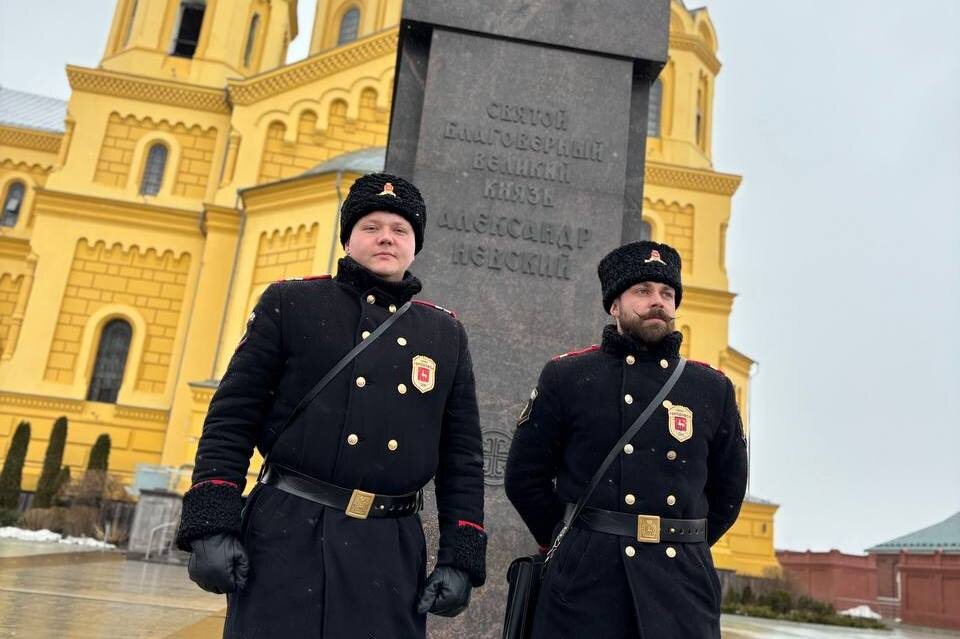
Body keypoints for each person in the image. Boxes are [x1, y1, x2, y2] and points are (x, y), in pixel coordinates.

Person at [175, 173, 487, 638]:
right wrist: (210, 525)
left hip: (390, 545)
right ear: (347, 239)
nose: (386, 237)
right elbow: (232, 418)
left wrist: (460, 558)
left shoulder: (444, 333)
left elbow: (462, 456)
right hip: (286, 532)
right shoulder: (292, 302)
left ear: (415, 245)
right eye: (371, 226)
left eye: (400, 230)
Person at [505, 240, 748, 638]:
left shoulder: (711, 388)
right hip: (587, 586)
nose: (657, 301)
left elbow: (729, 490)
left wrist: (688, 546)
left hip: (681, 585)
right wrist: (578, 545)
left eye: (667, 294)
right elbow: (524, 477)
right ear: (614, 304)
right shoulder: (568, 376)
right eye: (643, 291)